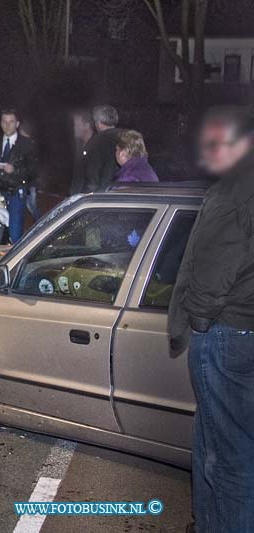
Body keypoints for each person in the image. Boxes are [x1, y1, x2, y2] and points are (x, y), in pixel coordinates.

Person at [168, 106, 254, 533]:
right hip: (242, 327)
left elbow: (211, 266)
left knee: (229, 457)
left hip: (228, 331)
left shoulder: (238, 189)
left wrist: (199, 319)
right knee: (222, 444)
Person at [0, 108, 36, 243]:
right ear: (1, 123)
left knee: (15, 232)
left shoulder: (26, 144)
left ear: (17, 124)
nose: (7, 125)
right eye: (5, 121)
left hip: (16, 192)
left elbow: (33, 171)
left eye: (11, 121)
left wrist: (15, 170)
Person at [80, 104, 120, 192]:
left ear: (98, 123)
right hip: (126, 194)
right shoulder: (128, 137)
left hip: (103, 196)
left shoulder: (96, 142)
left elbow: (92, 178)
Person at [70, 109, 95, 194]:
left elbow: (93, 183)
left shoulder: (96, 148)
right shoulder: (79, 146)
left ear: (87, 126)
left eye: (77, 125)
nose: (74, 128)